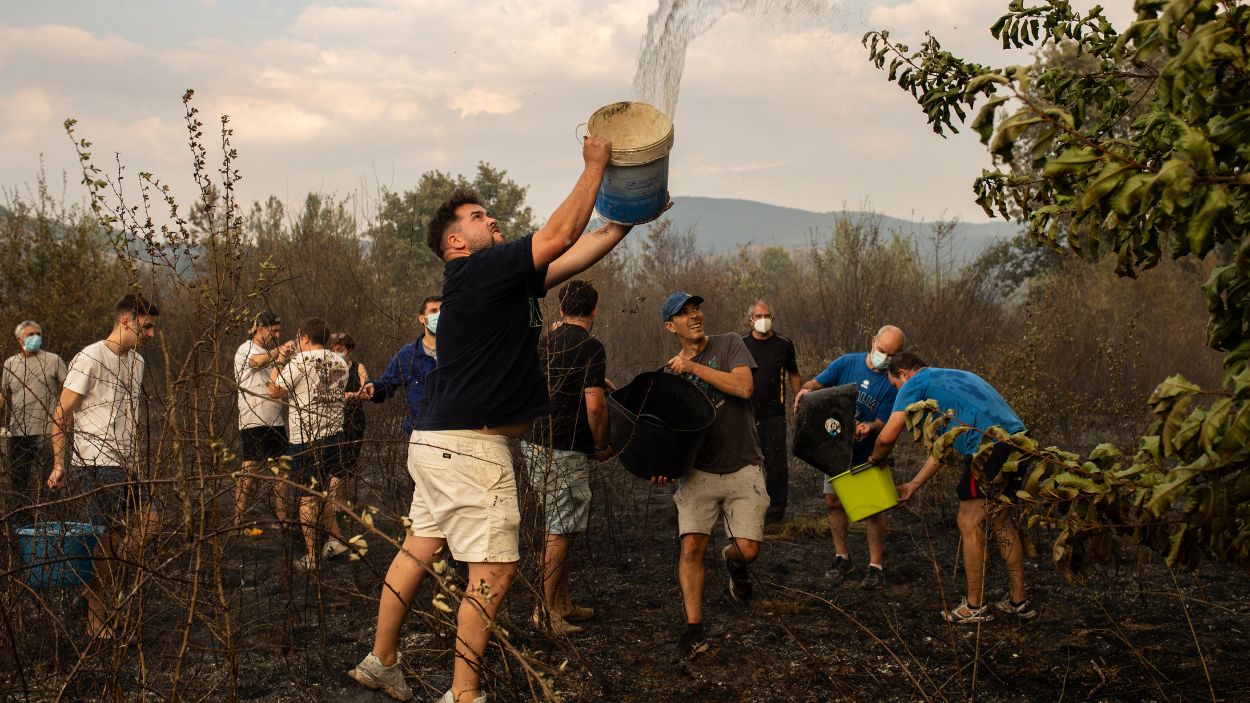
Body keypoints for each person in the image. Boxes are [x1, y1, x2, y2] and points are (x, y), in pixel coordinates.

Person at [351, 134, 642, 703]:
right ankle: (464, 697)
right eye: (479, 216)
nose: (492, 219)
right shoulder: (477, 269)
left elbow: (577, 250)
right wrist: (594, 167)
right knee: (496, 573)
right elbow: (557, 234)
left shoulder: (499, 282)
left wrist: (628, 216)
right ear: (457, 240)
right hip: (470, 449)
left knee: (417, 552)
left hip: (438, 443)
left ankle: (381, 660)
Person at [868, 352, 1037, 623]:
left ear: (904, 373)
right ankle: (1019, 601)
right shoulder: (955, 376)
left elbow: (887, 436)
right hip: (1018, 442)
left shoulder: (915, 383)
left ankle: (974, 606)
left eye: (896, 385)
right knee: (1000, 519)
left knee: (968, 522)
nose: (898, 391)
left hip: (988, 449)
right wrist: (913, 485)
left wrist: (875, 459)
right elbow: (942, 449)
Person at [652, 292, 767, 659]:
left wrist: (696, 368)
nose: (694, 316)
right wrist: (662, 465)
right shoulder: (671, 373)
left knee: (747, 549)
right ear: (671, 327)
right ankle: (694, 629)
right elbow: (669, 428)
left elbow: (744, 388)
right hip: (697, 471)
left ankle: (734, 563)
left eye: (696, 309)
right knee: (691, 547)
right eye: (684, 314)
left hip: (742, 463)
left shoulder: (729, 343)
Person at [48, 293, 161, 640]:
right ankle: (95, 619)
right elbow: (62, 413)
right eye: (147, 326)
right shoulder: (89, 357)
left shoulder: (137, 362)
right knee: (103, 544)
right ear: (126, 321)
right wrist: (59, 464)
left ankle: (94, 588)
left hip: (128, 465)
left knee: (150, 526)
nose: (152, 334)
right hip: (95, 466)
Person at [522, 280, 610, 636]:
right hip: (564, 447)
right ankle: (545, 613)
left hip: (534, 443)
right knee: (560, 531)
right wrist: (602, 444)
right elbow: (594, 405)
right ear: (594, 311)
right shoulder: (591, 347)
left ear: (560, 309)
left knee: (561, 526)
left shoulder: (545, 342)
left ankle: (562, 603)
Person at [795, 325, 906, 590]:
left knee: (872, 510)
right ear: (872, 342)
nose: (885, 358)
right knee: (833, 501)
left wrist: (870, 427)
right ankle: (842, 558)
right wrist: (807, 389)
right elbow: (819, 382)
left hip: (866, 451)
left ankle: (876, 566)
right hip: (835, 447)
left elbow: (885, 420)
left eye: (892, 355)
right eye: (882, 351)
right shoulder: (847, 363)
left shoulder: (893, 382)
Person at [267, 317, 349, 572]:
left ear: (304, 338)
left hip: (306, 439)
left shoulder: (300, 361)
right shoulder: (340, 361)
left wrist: (280, 360)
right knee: (323, 492)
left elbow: (274, 390)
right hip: (334, 435)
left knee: (305, 498)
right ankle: (336, 542)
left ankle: (312, 556)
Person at [232, 311, 296, 537]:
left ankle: (283, 519)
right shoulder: (246, 348)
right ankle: (238, 521)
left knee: (283, 470)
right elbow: (256, 362)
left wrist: (285, 358)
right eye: (274, 331)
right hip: (254, 420)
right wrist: (279, 350)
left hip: (275, 420)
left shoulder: (272, 353)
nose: (277, 335)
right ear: (260, 328)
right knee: (250, 470)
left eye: (279, 331)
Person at [740, 300, 801, 530]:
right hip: (745, 414)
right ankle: (747, 508)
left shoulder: (784, 344)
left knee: (775, 464)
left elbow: (794, 374)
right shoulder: (741, 344)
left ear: (772, 318)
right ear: (750, 319)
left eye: (767, 315)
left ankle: (776, 513)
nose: (763, 319)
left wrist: (799, 399)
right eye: (758, 316)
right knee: (745, 463)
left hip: (774, 414)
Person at [1, 320, 68, 528]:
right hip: (18, 432)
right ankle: (23, 530)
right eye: (31, 334)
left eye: (38, 333)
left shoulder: (53, 360)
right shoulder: (10, 363)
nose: (36, 337)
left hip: (48, 433)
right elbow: (3, 395)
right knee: (19, 484)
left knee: (50, 484)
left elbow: (69, 390)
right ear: (19, 339)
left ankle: (52, 528)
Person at [366, 295, 441, 436]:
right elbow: (388, 383)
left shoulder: (459, 352)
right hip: (421, 434)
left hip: (456, 433)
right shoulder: (408, 355)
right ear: (422, 318)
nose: (439, 315)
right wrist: (373, 388)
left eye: (443, 310)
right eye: (433, 311)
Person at [325, 331, 371, 558]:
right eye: (333, 348)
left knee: (349, 465)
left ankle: (341, 503)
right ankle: (334, 503)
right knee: (338, 464)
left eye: (340, 348)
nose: (337, 352)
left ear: (348, 349)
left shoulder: (358, 367)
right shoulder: (331, 368)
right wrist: (353, 394)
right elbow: (332, 395)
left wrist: (352, 394)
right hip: (335, 421)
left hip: (356, 420)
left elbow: (366, 391)